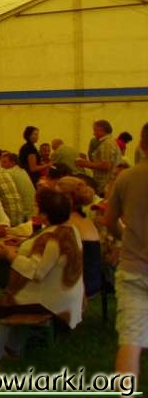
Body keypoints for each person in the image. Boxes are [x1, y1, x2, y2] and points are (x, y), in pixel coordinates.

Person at [0, 188, 84, 369]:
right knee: (14, 300)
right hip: (67, 295)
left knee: (0, 308)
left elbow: (37, 272)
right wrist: (24, 243)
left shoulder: (50, 239)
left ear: (44, 215)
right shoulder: (70, 230)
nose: (34, 208)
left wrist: (10, 255)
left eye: (37, 206)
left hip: (49, 301)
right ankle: (13, 349)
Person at [105, 122, 148, 384]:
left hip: (133, 269)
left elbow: (109, 220)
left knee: (130, 341)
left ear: (142, 144)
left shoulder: (126, 177)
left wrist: (124, 238)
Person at [76, 119, 122, 196]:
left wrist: (86, 164)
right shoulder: (108, 142)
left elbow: (106, 165)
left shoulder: (107, 144)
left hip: (105, 184)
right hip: (106, 184)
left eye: (95, 130)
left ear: (101, 130)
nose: (93, 133)